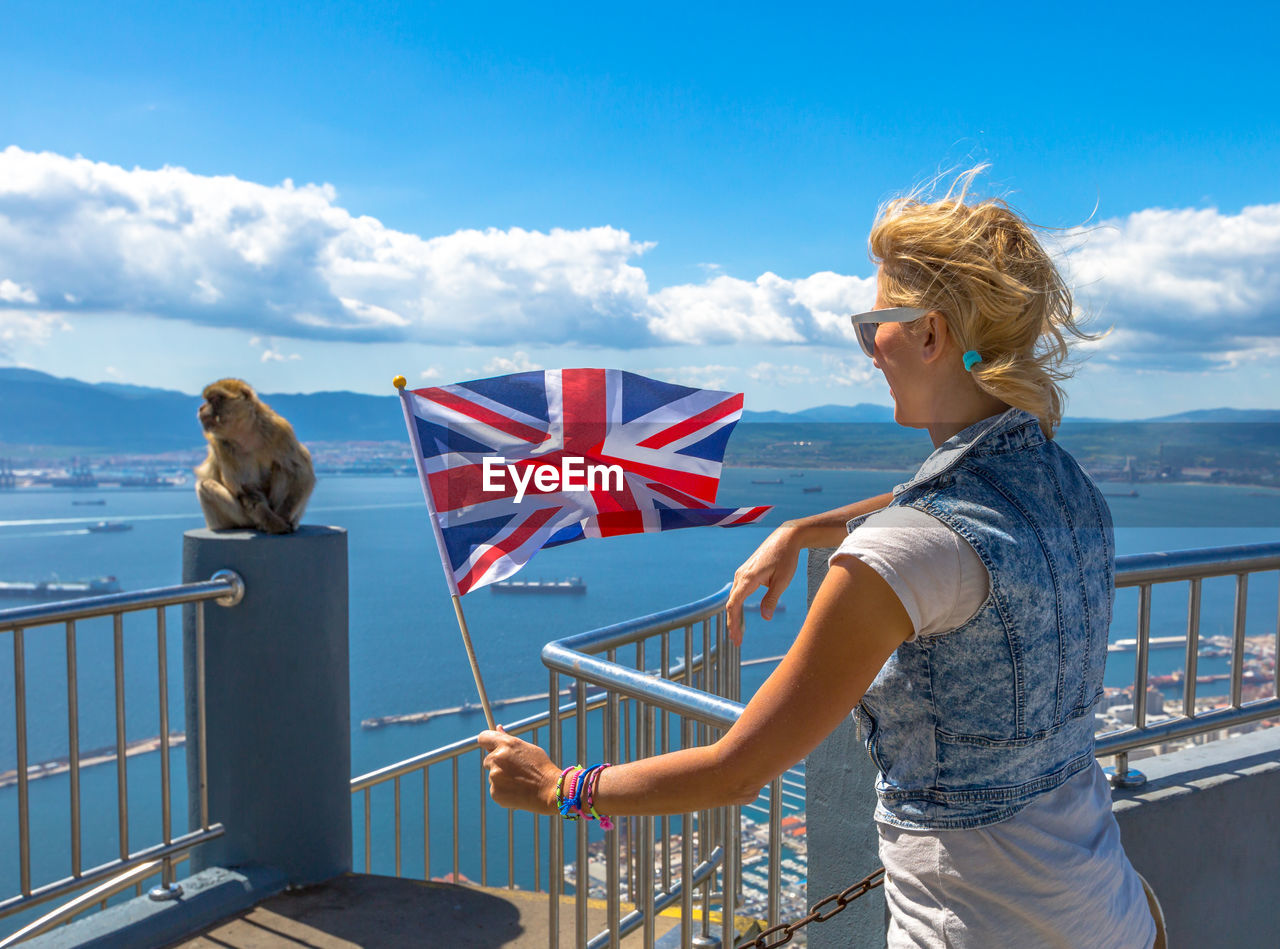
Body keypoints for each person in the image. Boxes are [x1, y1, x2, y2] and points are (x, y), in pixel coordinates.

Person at [478, 168, 1157, 948]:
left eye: (875, 327)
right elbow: (946, 510)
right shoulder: (1068, 488)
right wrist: (805, 528)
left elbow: (736, 768)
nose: (869, 350)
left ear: (930, 335)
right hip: (1109, 909)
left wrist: (557, 787)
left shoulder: (895, 556)